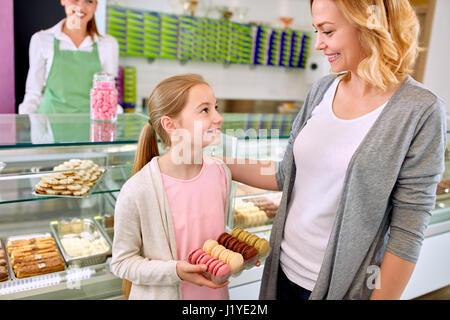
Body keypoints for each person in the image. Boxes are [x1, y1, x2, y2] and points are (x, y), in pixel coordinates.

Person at [223, 0, 446, 300]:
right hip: (281, 271)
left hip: (344, 288)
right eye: (317, 31)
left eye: (327, 31)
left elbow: (408, 227)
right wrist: (217, 163)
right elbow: (284, 173)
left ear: (371, 25)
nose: (318, 44)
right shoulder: (321, 90)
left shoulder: (420, 110)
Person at [110, 74, 232, 300]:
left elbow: (218, 235)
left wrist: (239, 251)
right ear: (170, 125)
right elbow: (122, 263)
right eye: (205, 110)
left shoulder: (221, 173)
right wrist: (175, 271)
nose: (219, 117)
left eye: (216, 107)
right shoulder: (138, 189)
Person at [18, 0, 119, 114]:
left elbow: (109, 96)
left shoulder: (108, 45)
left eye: (89, 1)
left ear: (96, 6)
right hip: (49, 127)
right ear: (63, 1)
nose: (81, 6)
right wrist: (24, 122)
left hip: (91, 126)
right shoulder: (42, 40)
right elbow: (33, 94)